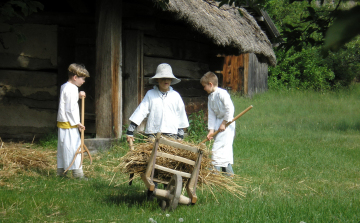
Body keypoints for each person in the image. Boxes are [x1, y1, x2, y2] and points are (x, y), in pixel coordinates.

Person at [126, 63, 189, 143]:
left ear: (171, 80)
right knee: (152, 154)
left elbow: (180, 115)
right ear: (157, 79)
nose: (166, 80)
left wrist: (180, 135)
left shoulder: (175, 96)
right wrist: (130, 130)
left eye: (168, 78)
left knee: (169, 155)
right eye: (163, 78)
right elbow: (141, 111)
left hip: (171, 134)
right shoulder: (151, 94)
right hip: (153, 133)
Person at [56, 63, 90, 180]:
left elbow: (67, 101)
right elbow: (70, 109)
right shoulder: (71, 89)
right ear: (75, 77)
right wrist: (77, 123)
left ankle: (61, 172)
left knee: (64, 147)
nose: (84, 81)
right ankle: (77, 174)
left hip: (64, 123)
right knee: (74, 147)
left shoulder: (65, 86)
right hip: (70, 124)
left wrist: (78, 95)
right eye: (83, 79)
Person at [200, 71, 235, 176]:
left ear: (210, 84)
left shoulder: (222, 94)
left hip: (228, 125)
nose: (204, 89)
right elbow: (211, 115)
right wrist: (211, 130)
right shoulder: (210, 97)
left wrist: (224, 123)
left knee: (216, 150)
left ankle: (214, 176)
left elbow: (230, 109)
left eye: (204, 86)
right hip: (218, 125)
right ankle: (229, 176)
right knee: (223, 152)